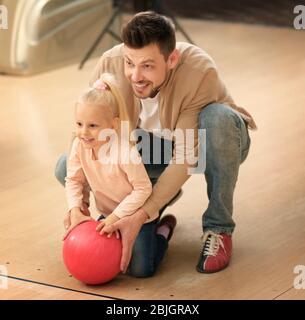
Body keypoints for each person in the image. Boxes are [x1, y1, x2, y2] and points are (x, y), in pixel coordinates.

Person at [55, 11, 256, 275]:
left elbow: (186, 158)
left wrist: (140, 214)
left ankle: (218, 228)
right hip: (148, 149)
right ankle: (157, 196)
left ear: (171, 59)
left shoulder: (197, 70)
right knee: (64, 166)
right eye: (130, 63)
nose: (135, 76)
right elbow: (83, 137)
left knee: (217, 118)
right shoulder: (110, 64)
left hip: (209, 146)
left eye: (147, 66)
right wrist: (77, 206)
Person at [63, 73, 176, 277]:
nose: (84, 132)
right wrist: (74, 208)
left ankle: (162, 232)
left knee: (141, 270)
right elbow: (73, 179)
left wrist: (117, 216)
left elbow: (143, 189)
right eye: (79, 124)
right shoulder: (79, 146)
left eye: (93, 126)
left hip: (135, 214)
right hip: (109, 214)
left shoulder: (126, 152)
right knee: (104, 259)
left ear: (113, 124)